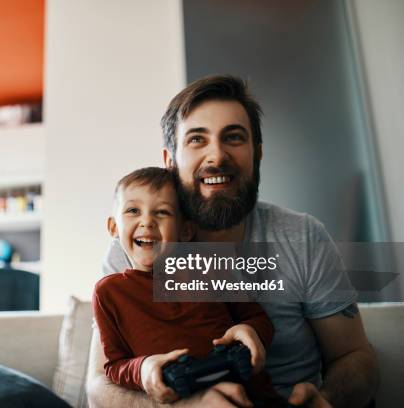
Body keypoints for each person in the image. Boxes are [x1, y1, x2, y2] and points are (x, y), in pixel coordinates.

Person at [86, 75, 378, 408]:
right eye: (197, 139)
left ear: (258, 153)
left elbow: (357, 357)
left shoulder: (304, 237)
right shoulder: (136, 249)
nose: (217, 156)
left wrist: (326, 399)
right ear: (169, 161)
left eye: (234, 137)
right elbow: (99, 388)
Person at [93, 166, 283, 406]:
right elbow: (113, 365)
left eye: (162, 212)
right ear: (113, 228)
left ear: (186, 231)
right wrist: (143, 369)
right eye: (133, 210)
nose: (147, 222)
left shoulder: (210, 268)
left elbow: (258, 318)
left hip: (251, 394)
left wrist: (250, 331)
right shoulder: (109, 293)